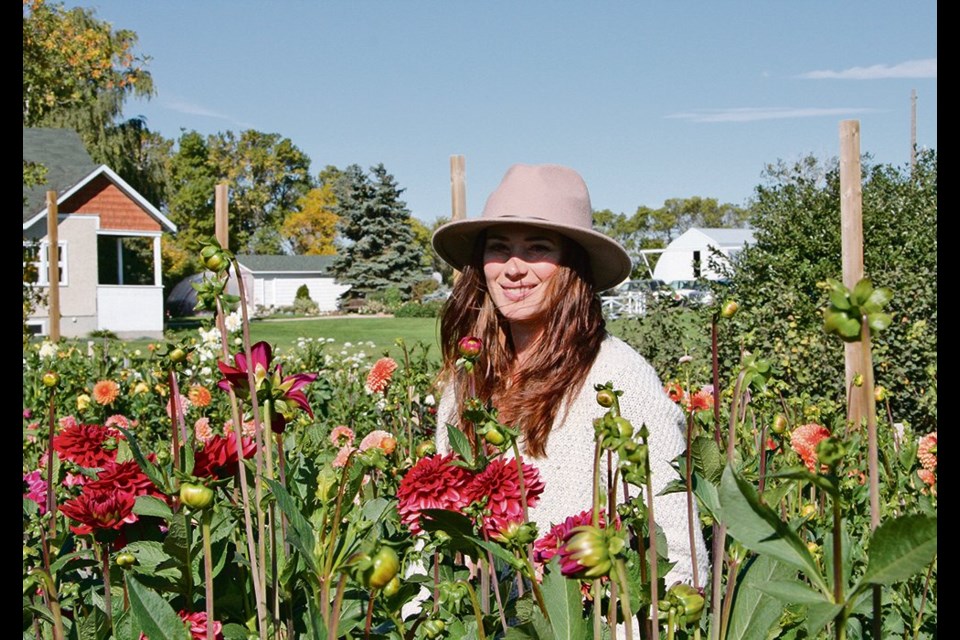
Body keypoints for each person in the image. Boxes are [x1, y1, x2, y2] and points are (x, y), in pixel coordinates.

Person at [431, 163, 709, 589]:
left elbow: (679, 559)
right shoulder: (466, 378)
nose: (513, 268)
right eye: (499, 248)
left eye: (538, 248)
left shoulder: (617, 379)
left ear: (573, 265)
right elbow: (438, 537)